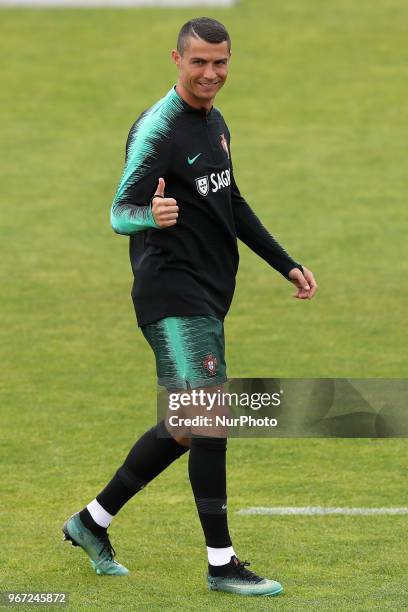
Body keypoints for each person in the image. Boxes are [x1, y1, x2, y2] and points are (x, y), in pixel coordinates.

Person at [63, 16, 317, 597]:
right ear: (175, 59)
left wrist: (285, 262)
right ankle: (221, 564)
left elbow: (231, 198)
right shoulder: (158, 129)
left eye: (220, 62)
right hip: (170, 293)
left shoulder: (216, 121)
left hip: (208, 292)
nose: (210, 74)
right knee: (209, 419)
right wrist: (150, 216)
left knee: (183, 427)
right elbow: (118, 212)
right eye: (199, 62)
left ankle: (91, 522)